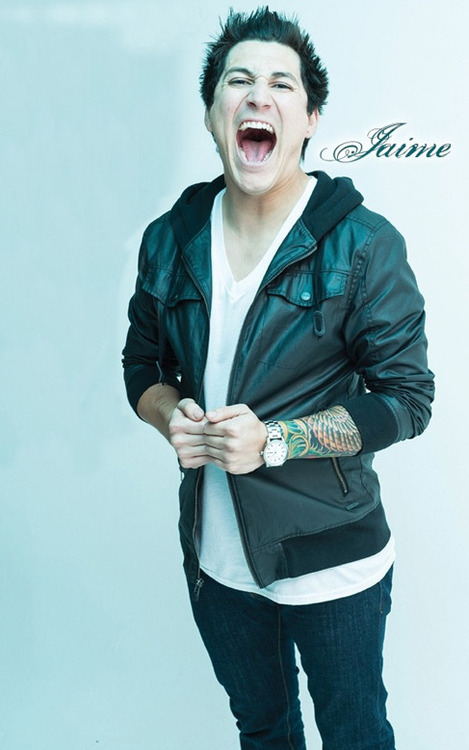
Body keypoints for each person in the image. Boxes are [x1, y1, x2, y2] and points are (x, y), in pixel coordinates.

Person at [122, 7, 434, 749]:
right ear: (212, 114)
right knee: (263, 731)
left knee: (355, 734)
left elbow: (407, 400)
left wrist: (275, 441)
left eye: (281, 84)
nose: (257, 95)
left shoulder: (364, 245)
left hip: (334, 560)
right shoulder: (169, 239)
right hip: (216, 559)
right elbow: (142, 365)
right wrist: (171, 416)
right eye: (238, 81)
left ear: (309, 119)